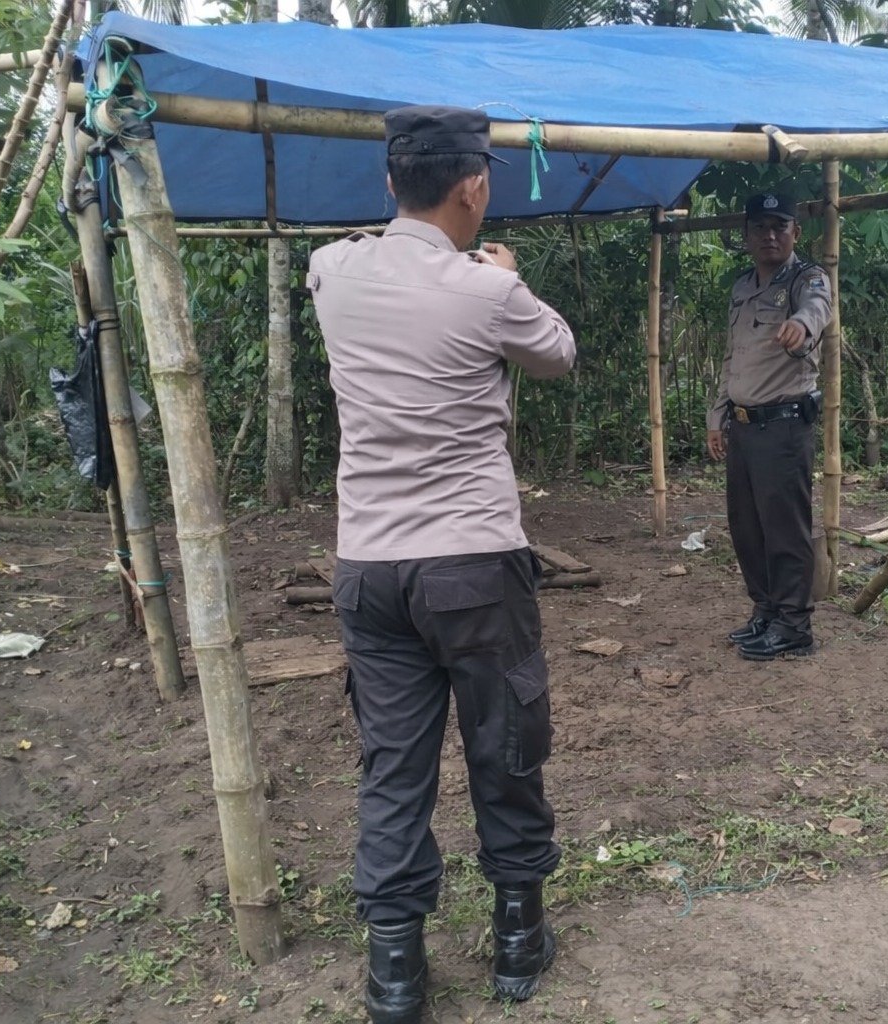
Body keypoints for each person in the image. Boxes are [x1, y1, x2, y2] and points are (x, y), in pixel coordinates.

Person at [308, 105, 576, 1024]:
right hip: (469, 558)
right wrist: (508, 276)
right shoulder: (489, 291)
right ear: (474, 188)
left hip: (370, 565)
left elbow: (355, 273)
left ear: (391, 185)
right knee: (503, 740)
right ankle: (515, 939)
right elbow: (557, 355)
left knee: (394, 764)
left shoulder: (331, 271)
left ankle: (394, 976)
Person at [706, 192, 834, 662]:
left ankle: (794, 624)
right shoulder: (742, 288)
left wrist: (802, 324)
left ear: (796, 233)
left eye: (780, 226)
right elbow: (732, 358)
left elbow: (819, 308)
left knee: (784, 529)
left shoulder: (808, 279)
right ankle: (766, 611)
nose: (770, 235)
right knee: (748, 528)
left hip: (783, 427)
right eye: (760, 227)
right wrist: (716, 417)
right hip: (743, 427)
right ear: (746, 237)